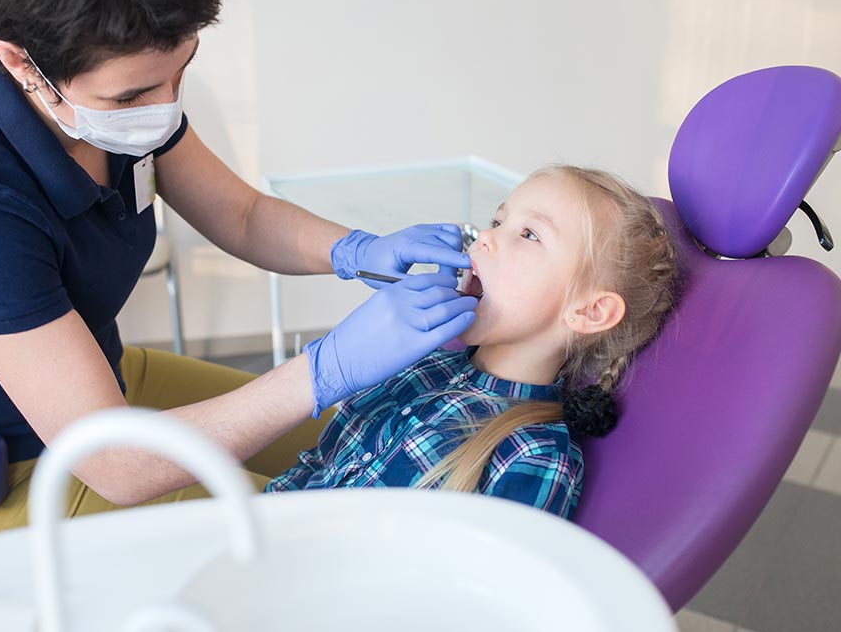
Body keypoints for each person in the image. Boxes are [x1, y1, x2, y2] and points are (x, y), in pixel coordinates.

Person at [0, 0, 478, 538]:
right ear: (21, 62)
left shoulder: (119, 115)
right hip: (17, 471)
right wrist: (326, 368)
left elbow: (242, 215)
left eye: (180, 72)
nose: (165, 107)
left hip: (111, 381)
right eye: (133, 94)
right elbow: (115, 464)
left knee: (365, 438)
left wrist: (356, 251)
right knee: (327, 528)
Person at [265, 166, 680, 519]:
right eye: (498, 221)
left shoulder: (531, 456)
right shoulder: (427, 364)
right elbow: (319, 468)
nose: (484, 236)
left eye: (529, 234)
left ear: (590, 311)